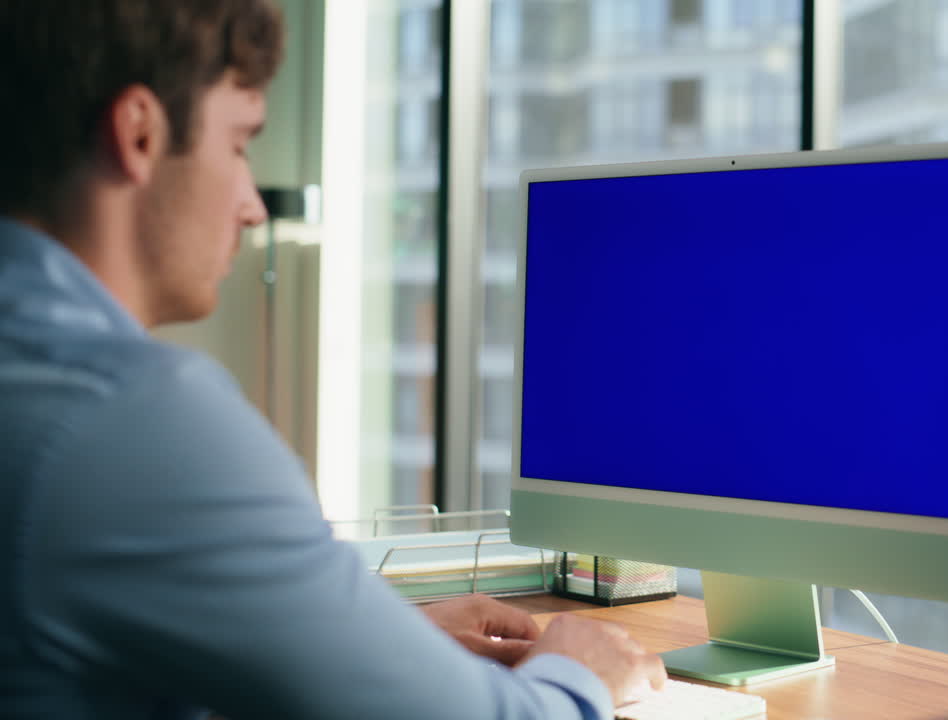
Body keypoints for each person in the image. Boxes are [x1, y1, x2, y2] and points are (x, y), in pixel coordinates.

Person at [0, 1, 665, 718]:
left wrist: (372, 637)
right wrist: (578, 672)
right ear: (138, 133)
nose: (252, 205)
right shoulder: (130, 419)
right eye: (239, 144)